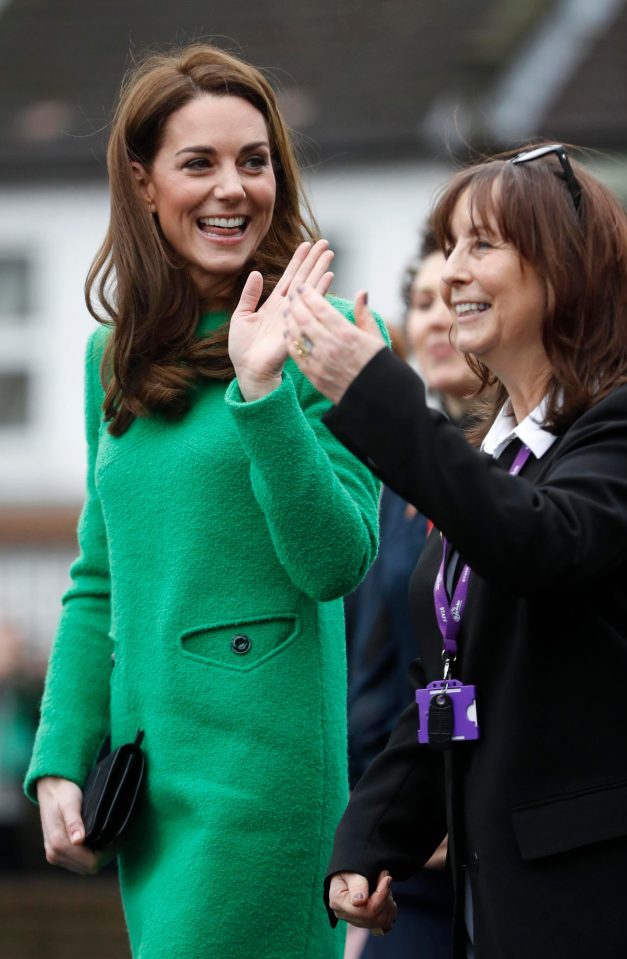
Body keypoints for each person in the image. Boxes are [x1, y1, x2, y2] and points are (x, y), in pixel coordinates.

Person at [24, 43, 384, 959]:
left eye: (254, 161)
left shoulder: (336, 339)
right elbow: (98, 577)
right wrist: (61, 755)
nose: (233, 189)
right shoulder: (114, 358)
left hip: (263, 781)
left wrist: (264, 396)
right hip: (151, 782)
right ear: (144, 184)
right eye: (200, 163)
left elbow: (337, 558)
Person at [282, 143, 627, 958]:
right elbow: (453, 689)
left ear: (566, 268)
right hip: (497, 908)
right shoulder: (495, 459)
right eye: (448, 248)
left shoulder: (621, 427)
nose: (450, 276)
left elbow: (537, 542)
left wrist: (375, 391)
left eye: (482, 245)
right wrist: (371, 839)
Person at [345, 229, 478, 959]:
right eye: (422, 301)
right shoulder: (386, 480)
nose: (434, 318)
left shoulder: (514, 470)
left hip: (468, 833)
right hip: (392, 832)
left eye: (454, 300)